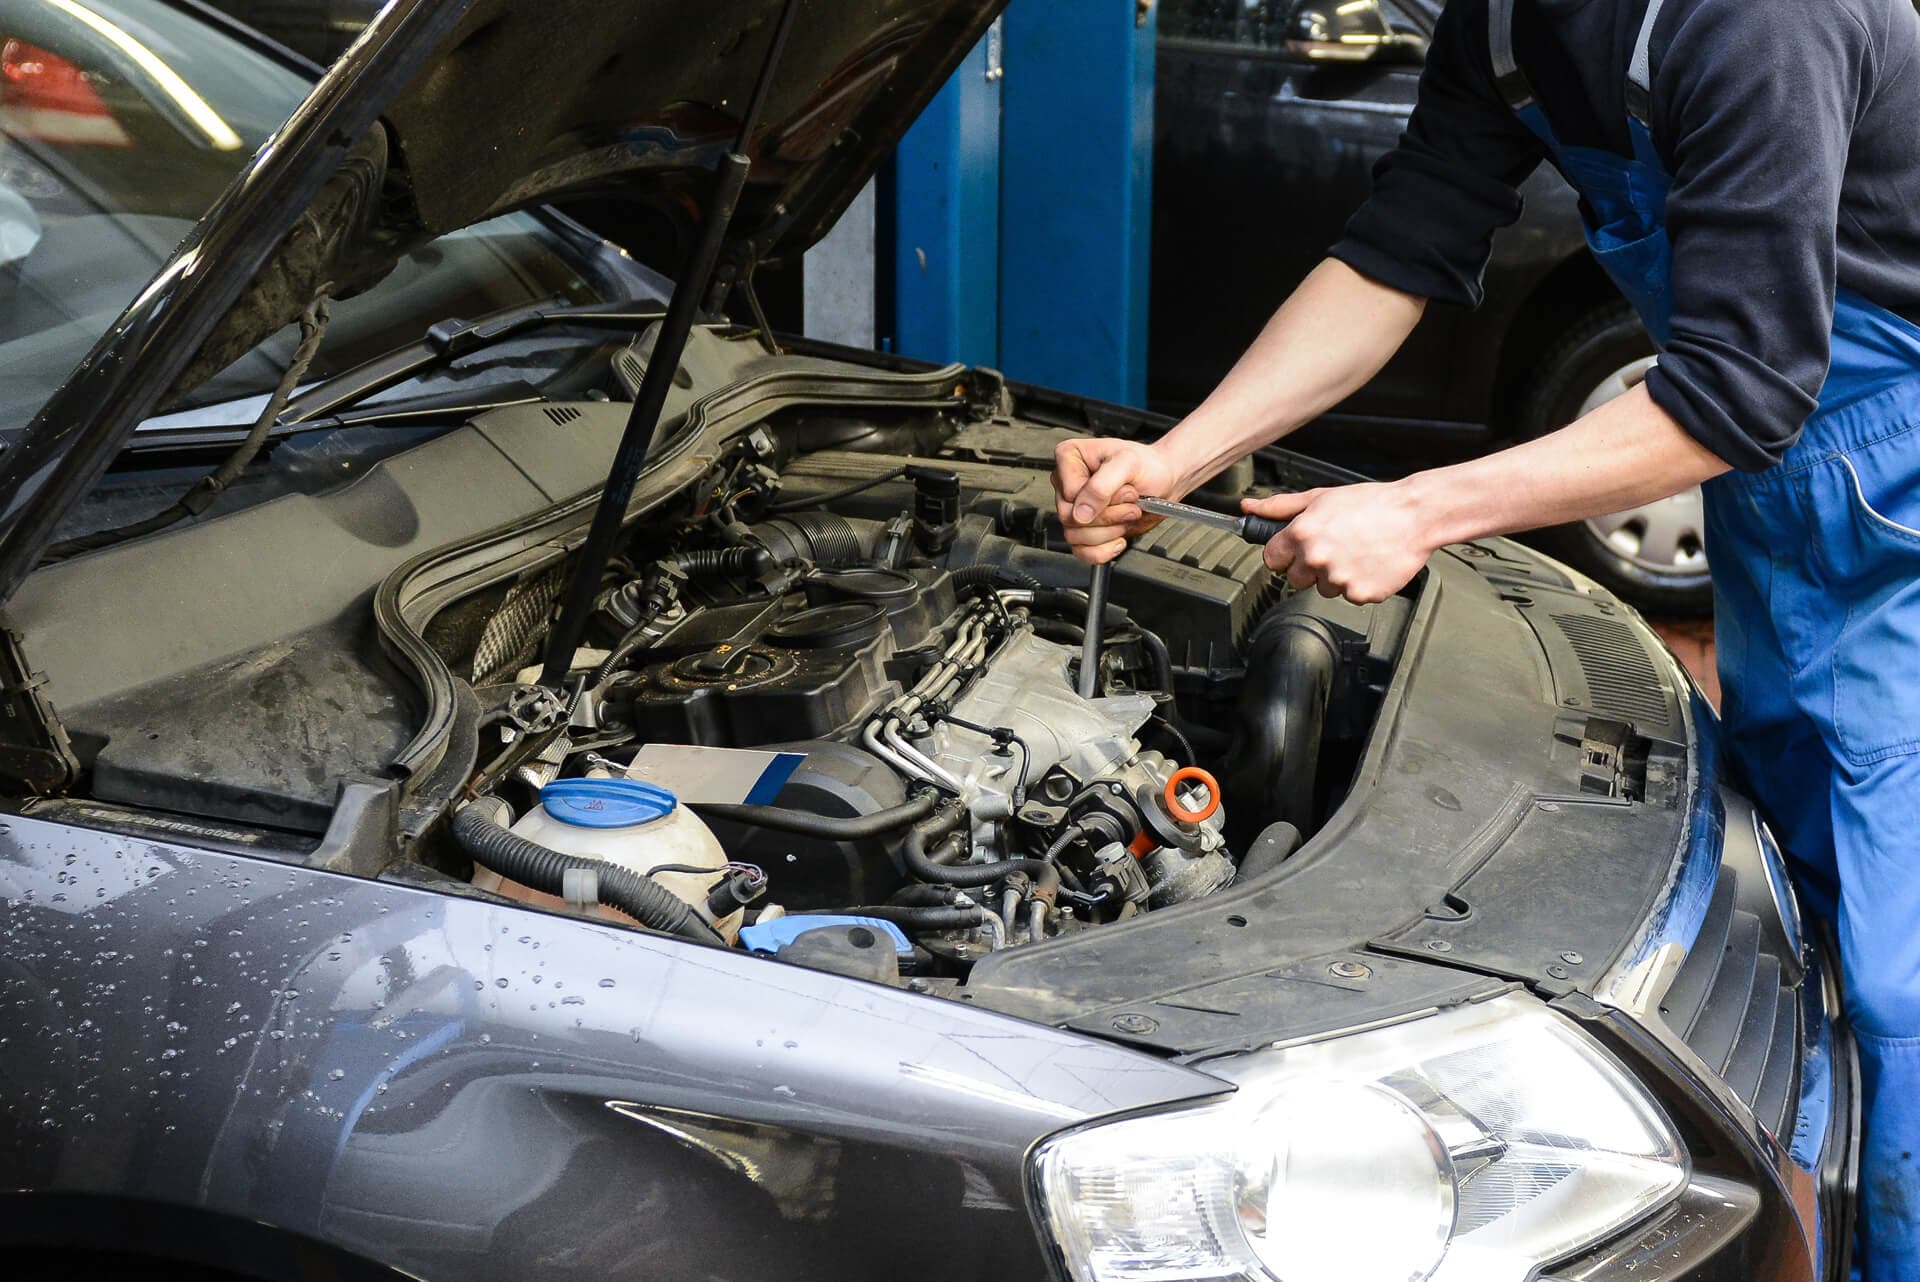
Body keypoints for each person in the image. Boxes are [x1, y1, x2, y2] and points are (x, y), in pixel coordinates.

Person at [1054, 0, 1920, 1273]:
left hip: (1890, 486)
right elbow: (1396, 254)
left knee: (1905, 988)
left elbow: (1741, 386)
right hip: (1795, 504)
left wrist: (1416, 510)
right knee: (1806, 889)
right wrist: (1175, 457)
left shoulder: (1755, 19)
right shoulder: (1508, 24)